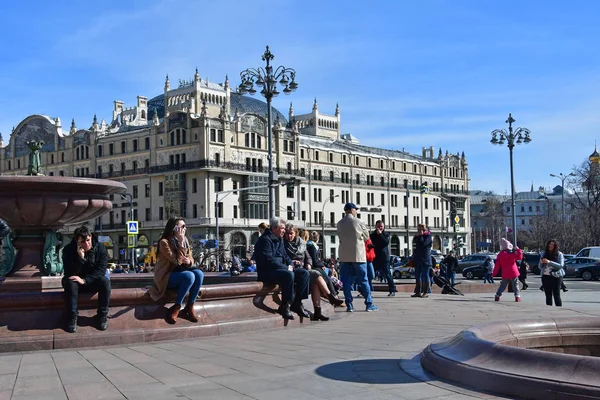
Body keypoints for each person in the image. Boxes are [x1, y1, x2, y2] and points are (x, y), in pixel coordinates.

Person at [148, 217, 204, 324]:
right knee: (189, 276)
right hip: (166, 276)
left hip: (180, 272)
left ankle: (190, 306)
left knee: (199, 273)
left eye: (185, 226)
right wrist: (181, 243)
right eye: (182, 226)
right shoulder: (164, 242)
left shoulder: (186, 241)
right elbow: (176, 261)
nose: (185, 228)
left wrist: (189, 261)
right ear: (174, 228)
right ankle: (177, 307)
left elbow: (190, 257)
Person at [254, 218, 310, 320]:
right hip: (267, 272)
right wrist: (286, 268)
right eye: (282, 228)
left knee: (304, 273)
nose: (284, 231)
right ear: (275, 228)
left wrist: (290, 265)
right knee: (288, 275)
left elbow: (285, 256)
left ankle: (297, 303)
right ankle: (285, 306)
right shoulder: (265, 240)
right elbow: (269, 260)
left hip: (279, 269)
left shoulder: (279, 239)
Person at [284, 225, 341, 321]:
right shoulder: (283, 244)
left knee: (315, 282)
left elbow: (309, 257)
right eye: (287, 234)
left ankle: (317, 312)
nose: (289, 236)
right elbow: (283, 258)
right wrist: (292, 262)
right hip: (293, 270)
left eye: (291, 233)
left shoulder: (301, 243)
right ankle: (330, 296)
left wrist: (308, 264)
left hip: (303, 269)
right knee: (315, 274)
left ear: (295, 233)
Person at [62, 225, 111, 333]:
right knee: (71, 283)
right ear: (77, 241)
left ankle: (102, 315)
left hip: (91, 281)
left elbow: (100, 271)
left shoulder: (100, 247)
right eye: (83, 242)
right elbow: (69, 273)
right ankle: (72, 317)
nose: (87, 244)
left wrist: (84, 280)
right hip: (75, 281)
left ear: (90, 236)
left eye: (88, 240)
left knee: (105, 282)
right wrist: (81, 259)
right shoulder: (68, 250)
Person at [336, 203, 378, 312]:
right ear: (351, 210)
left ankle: (349, 305)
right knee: (364, 280)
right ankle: (369, 304)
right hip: (358, 256)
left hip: (344, 256)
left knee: (346, 281)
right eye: (355, 209)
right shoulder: (359, 222)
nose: (356, 211)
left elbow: (340, 236)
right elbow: (366, 237)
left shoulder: (339, 223)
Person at [306, 231, 344, 306]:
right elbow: (315, 261)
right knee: (328, 278)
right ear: (317, 238)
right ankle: (334, 297)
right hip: (315, 267)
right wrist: (322, 265)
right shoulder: (312, 246)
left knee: (329, 274)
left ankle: (333, 296)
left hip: (315, 266)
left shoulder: (311, 245)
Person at [370, 221, 397, 296]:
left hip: (384, 258)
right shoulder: (372, 235)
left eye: (381, 226)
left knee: (387, 274)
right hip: (375, 258)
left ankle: (392, 290)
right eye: (378, 226)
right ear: (376, 226)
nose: (380, 228)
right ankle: (364, 291)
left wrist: (380, 234)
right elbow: (372, 244)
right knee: (370, 274)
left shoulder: (386, 234)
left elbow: (385, 242)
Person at [538, 239, 565, 307]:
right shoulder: (544, 253)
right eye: (549, 244)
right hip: (545, 276)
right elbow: (540, 267)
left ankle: (559, 309)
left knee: (556, 294)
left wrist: (549, 262)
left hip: (556, 276)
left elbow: (560, 265)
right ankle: (549, 309)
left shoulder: (559, 254)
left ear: (555, 246)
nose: (550, 246)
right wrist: (541, 262)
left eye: (552, 245)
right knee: (548, 295)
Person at [412, 224, 432, 298]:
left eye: (420, 229)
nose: (419, 231)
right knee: (417, 276)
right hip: (418, 259)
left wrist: (421, 236)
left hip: (425, 259)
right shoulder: (417, 237)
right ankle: (418, 292)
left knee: (425, 275)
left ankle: (425, 292)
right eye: (418, 229)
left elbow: (424, 244)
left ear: (424, 229)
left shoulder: (428, 236)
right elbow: (416, 247)